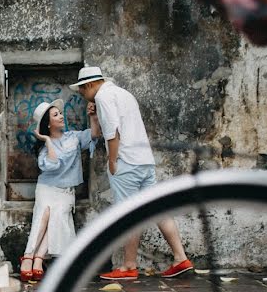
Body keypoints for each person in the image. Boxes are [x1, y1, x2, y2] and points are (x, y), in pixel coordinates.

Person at [70, 66, 193, 280]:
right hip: (144, 161)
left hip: (125, 162)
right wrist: (96, 116)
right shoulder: (123, 94)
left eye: (81, 90)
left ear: (89, 85)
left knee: (128, 214)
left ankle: (128, 266)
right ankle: (180, 257)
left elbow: (113, 132)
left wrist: (112, 160)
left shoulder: (103, 97)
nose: (81, 95)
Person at [20, 99, 101, 281]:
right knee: (44, 216)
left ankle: (37, 258)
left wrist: (93, 117)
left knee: (56, 217)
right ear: (48, 124)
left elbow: (95, 134)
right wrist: (48, 141)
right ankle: (29, 256)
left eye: (60, 113)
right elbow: (53, 164)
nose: (62, 116)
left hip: (65, 192)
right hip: (47, 188)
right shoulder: (43, 149)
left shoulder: (74, 137)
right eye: (56, 115)